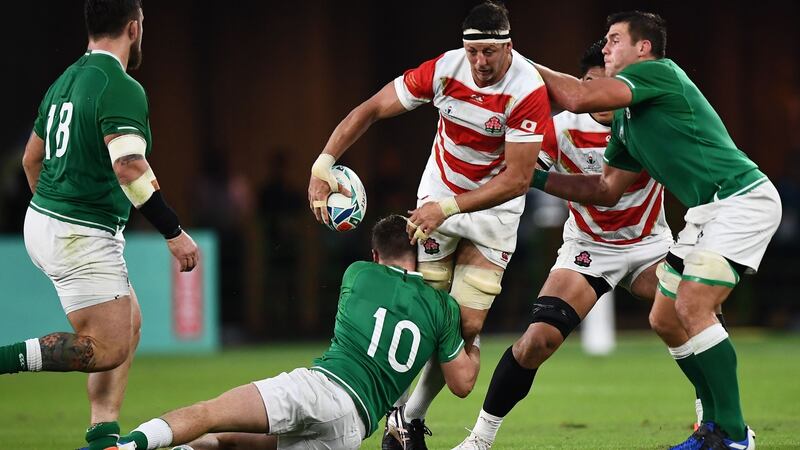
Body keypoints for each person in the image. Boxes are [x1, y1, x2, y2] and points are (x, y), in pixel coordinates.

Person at [530, 11, 781, 450]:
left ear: (642, 48)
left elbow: (573, 98)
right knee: (665, 317)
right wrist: (527, 179)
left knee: (693, 304)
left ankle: (734, 434)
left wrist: (517, 62)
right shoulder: (625, 122)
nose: (605, 48)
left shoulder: (658, 73)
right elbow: (605, 189)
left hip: (741, 200)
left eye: (613, 40)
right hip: (706, 213)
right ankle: (713, 429)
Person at [307, 2, 550, 447]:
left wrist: (449, 208)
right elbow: (371, 109)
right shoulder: (442, 70)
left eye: (489, 52)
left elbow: (517, 180)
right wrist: (323, 163)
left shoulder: (527, 89)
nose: (479, 62)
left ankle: (410, 413)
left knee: (466, 327)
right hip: (438, 198)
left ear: (508, 47)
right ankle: (403, 423)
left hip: (492, 213)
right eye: (473, 51)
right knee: (425, 318)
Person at [452, 38, 677, 449]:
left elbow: (609, 188)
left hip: (650, 245)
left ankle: (718, 425)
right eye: (592, 84)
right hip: (588, 249)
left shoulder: (649, 122)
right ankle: (480, 440)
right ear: (581, 85)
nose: (601, 95)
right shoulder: (561, 128)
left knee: (688, 318)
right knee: (537, 340)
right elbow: (519, 174)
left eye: (612, 84)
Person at [0, 1, 199, 449]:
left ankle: (102, 435)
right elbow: (129, 166)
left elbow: (32, 159)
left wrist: (53, 209)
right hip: (78, 232)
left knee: (128, 325)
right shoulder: (120, 86)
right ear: (134, 27)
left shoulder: (64, 81)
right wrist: (173, 232)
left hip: (49, 219)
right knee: (107, 348)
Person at [113, 214, 480, 450]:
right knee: (229, 442)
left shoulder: (358, 274)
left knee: (212, 418)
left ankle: (129, 447)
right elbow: (462, 384)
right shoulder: (441, 308)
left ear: (374, 254)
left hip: (320, 388)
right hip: (351, 429)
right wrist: (473, 333)